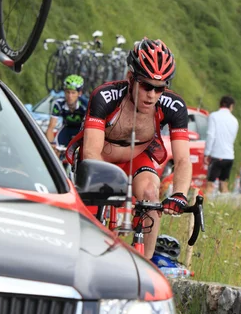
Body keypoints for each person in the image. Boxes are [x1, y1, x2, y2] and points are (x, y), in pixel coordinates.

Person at [66, 37, 192, 259]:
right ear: (130, 78)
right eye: (146, 86)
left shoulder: (173, 106)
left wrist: (179, 194)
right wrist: (110, 185)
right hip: (100, 160)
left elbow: (182, 160)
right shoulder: (105, 96)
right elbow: (91, 153)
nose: (152, 95)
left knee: (150, 196)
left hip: (136, 158)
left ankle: (146, 263)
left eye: (159, 88)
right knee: (94, 207)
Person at [203, 96, 239, 195]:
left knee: (210, 185)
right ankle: (225, 205)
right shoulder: (234, 120)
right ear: (231, 106)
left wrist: (207, 153)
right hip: (229, 156)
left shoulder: (214, 116)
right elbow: (233, 138)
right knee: (224, 185)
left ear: (220, 104)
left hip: (217, 155)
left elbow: (211, 135)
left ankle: (206, 206)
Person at [45, 75, 86, 149]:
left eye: (73, 93)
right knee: (55, 149)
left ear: (79, 93)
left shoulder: (85, 105)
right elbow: (51, 127)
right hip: (66, 129)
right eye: (68, 92)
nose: (70, 96)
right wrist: (52, 144)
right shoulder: (59, 103)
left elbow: (89, 127)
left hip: (81, 131)